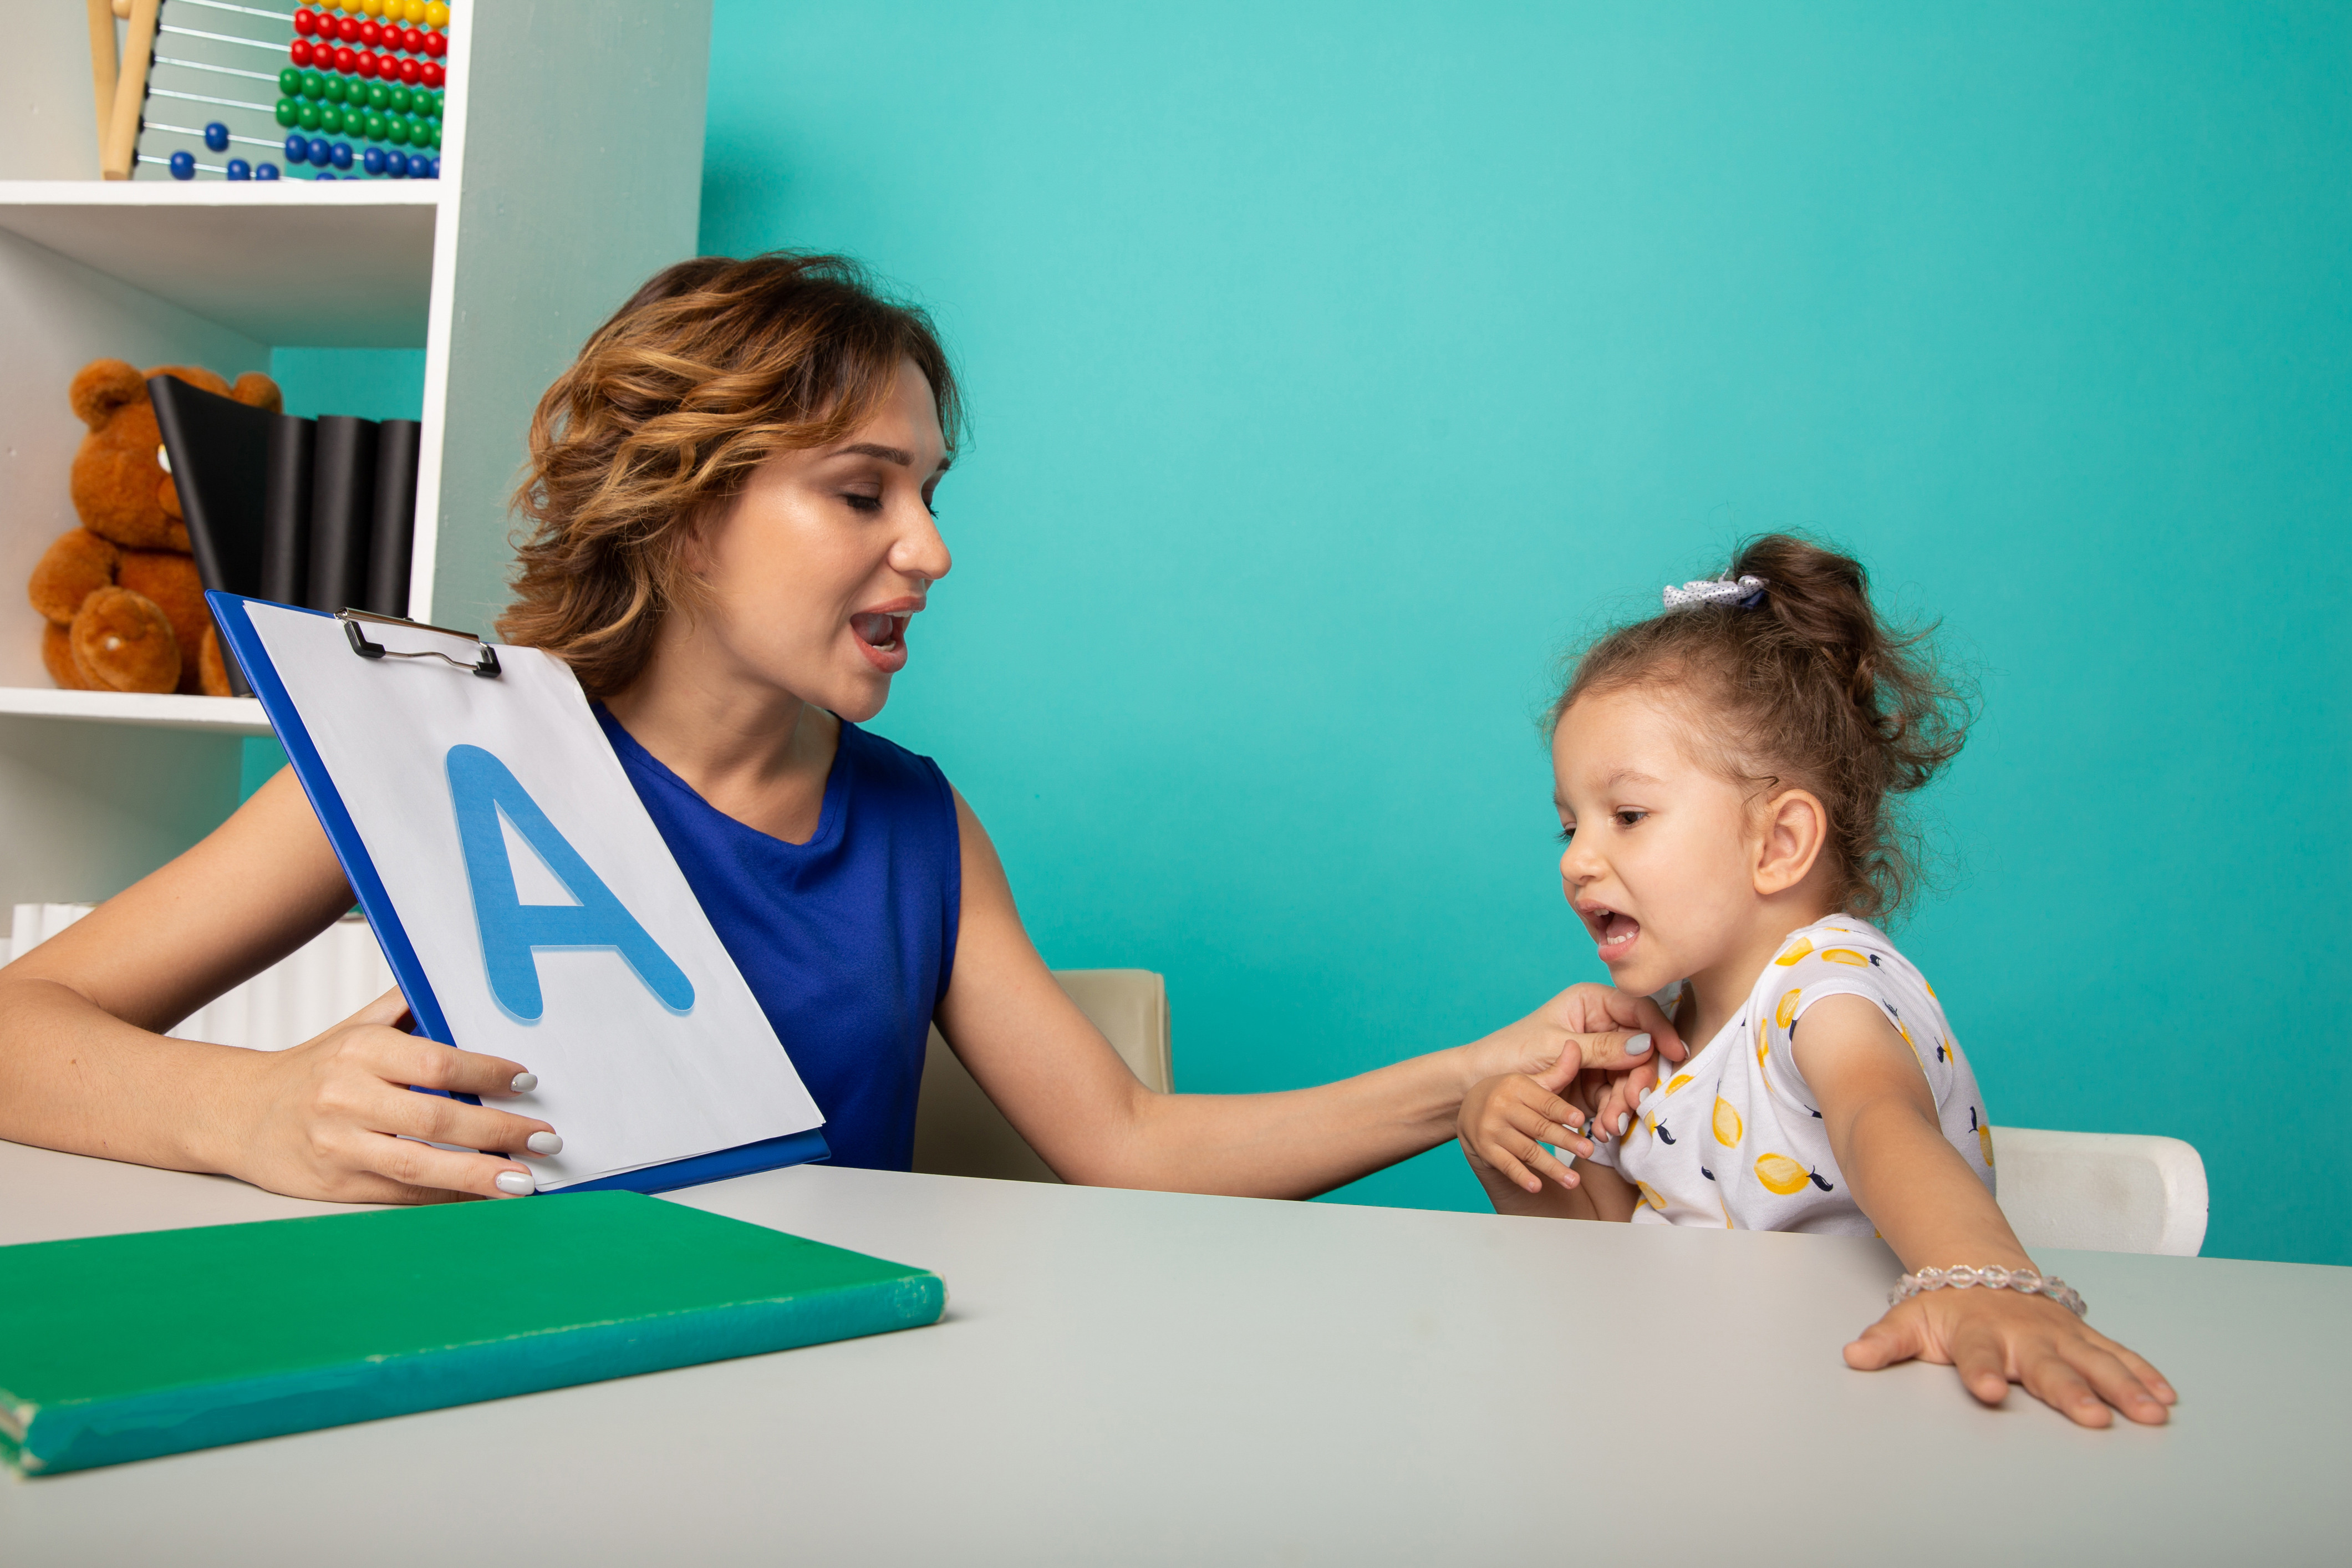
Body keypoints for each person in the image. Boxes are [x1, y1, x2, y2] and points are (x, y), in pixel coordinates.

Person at [0, 252, 1674, 1205]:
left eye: (931, 494)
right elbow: (25, 1025)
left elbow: (1132, 1142)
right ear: (680, 510)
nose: (929, 549)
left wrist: (1472, 1070)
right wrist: (250, 1112)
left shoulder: (915, 825)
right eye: (860, 491)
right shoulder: (444, 748)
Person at [1453, 534, 2177, 1428]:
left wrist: (1985, 1280)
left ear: (1778, 843)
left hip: (1851, 1427)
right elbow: (1602, 1275)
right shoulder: (1656, 1051)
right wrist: (1510, 1151)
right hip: (1698, 1428)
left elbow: (1881, 1120)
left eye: (1627, 816)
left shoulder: (1823, 986)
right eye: (1568, 828)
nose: (1577, 862)